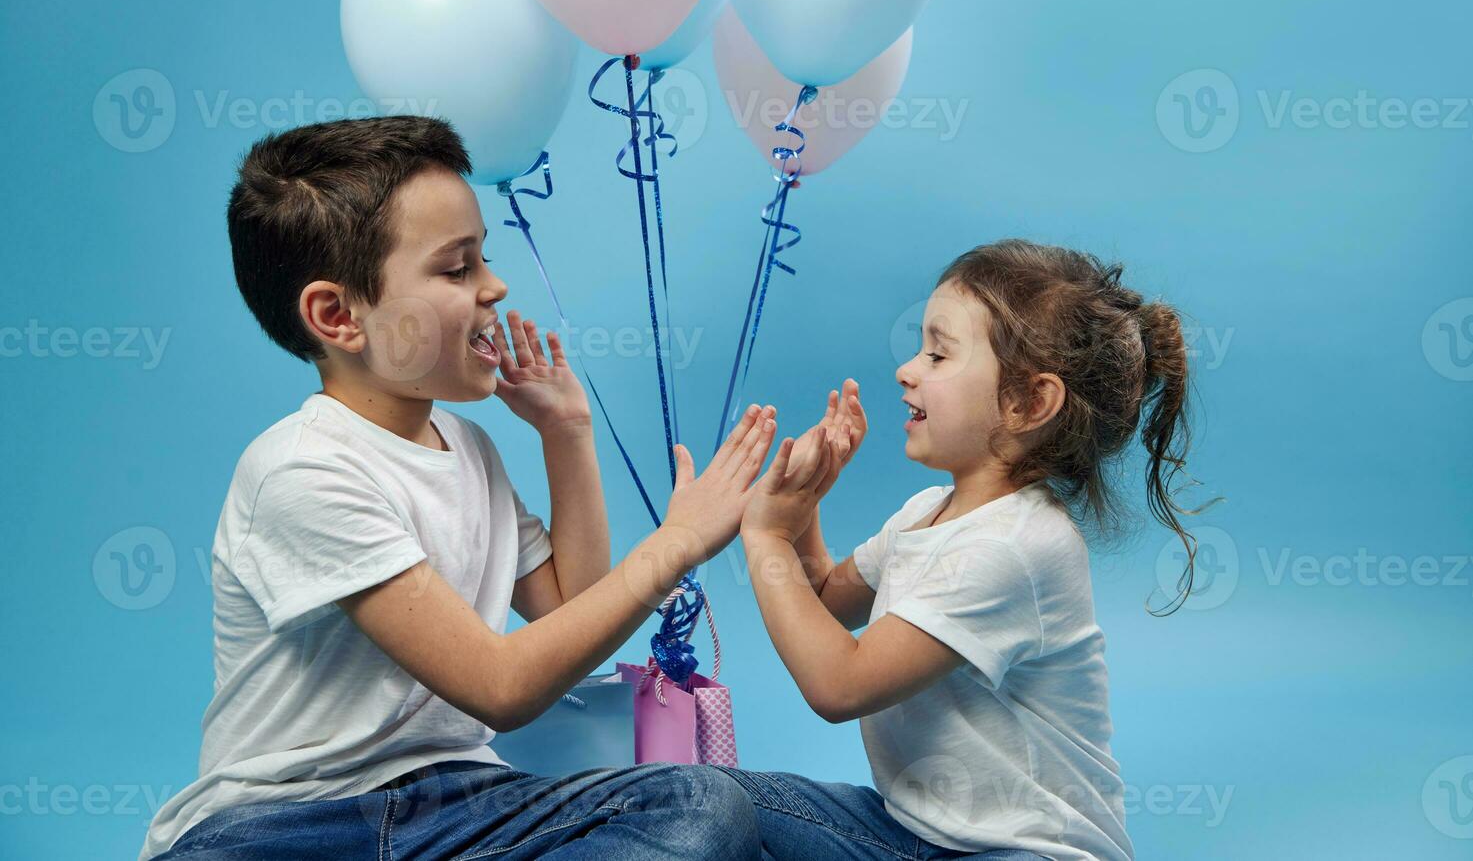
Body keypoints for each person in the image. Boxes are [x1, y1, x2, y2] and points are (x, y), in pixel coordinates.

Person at [141, 116, 776, 860]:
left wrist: (567, 436)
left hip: (458, 804)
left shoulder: (468, 449)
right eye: (456, 268)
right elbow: (501, 687)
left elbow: (570, 620)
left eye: (485, 260)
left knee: (698, 801)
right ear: (338, 315)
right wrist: (673, 545)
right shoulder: (301, 468)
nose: (494, 286)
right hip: (287, 826)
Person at [729, 240, 1213, 861]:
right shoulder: (925, 515)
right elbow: (822, 602)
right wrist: (804, 509)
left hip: (1026, 851)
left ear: (1028, 402)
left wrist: (766, 537)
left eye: (938, 353)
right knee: (714, 798)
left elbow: (840, 684)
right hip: (911, 833)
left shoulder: (1014, 546)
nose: (907, 369)